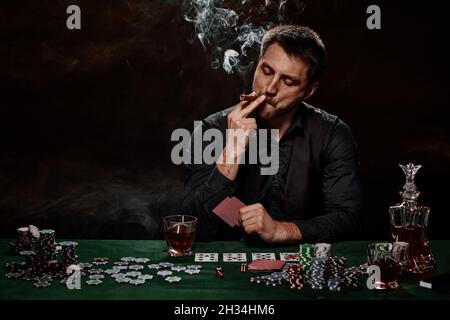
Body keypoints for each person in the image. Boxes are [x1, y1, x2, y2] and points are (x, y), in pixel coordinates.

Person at [182, 25, 362, 244]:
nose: (270, 88)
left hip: (303, 267)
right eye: (266, 71)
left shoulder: (332, 133)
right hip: (230, 267)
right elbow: (195, 227)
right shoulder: (212, 129)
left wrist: (280, 230)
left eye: (288, 81)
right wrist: (233, 149)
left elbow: (346, 219)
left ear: (309, 90)